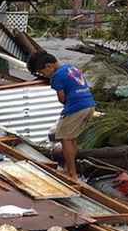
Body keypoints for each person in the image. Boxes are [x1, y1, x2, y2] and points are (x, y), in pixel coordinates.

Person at [28, 51, 96, 181]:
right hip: (89, 104)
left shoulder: (57, 76)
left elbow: (61, 98)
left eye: (43, 73)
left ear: (48, 66)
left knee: (64, 137)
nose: (44, 75)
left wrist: (66, 104)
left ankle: (72, 174)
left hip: (76, 106)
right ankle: (67, 168)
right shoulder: (72, 68)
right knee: (72, 138)